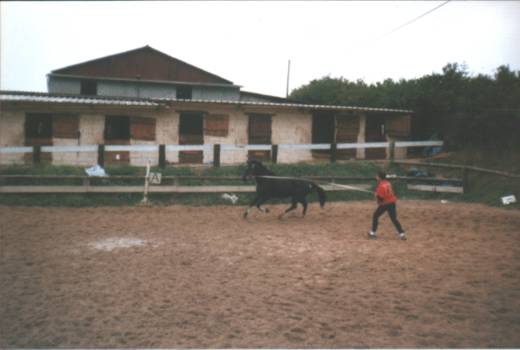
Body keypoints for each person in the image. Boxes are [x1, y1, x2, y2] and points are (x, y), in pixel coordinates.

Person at [368, 171, 407, 240]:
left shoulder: (381, 186)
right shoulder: (388, 183)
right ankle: (402, 234)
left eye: (377, 176)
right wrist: (378, 194)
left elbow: (381, 199)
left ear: (379, 177)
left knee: (375, 216)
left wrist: (376, 195)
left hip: (385, 204)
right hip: (392, 202)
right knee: (394, 219)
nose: (376, 177)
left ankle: (372, 233)